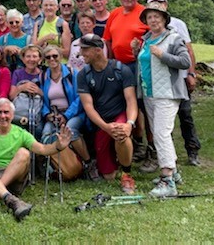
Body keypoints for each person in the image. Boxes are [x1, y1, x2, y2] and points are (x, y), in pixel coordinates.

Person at [0, 98, 73, 221]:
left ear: (12, 115)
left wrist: (58, 146)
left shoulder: (21, 133)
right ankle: (12, 201)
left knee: (24, 153)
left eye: (6, 112)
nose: (3, 116)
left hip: (14, 177)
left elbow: (43, 149)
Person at [134, 2, 191, 197]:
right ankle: (173, 173)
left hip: (167, 92)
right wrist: (137, 52)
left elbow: (185, 62)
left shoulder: (174, 38)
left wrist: (164, 55)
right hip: (150, 93)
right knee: (160, 133)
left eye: (157, 16)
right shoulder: (146, 40)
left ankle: (167, 180)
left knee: (161, 134)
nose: (153, 20)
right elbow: (145, 64)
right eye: (150, 17)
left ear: (165, 19)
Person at [76, 33, 138, 193]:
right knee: (109, 175)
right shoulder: (83, 74)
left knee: (121, 133)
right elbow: (88, 106)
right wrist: (105, 127)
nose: (81, 54)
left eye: (85, 50)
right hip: (100, 121)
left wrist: (129, 124)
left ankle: (127, 174)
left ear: (98, 50)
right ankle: (117, 158)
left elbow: (131, 100)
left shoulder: (121, 70)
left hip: (119, 114)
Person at [146, 0, 202, 167]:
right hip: (156, 86)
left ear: (166, 6)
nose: (156, 10)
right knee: (160, 126)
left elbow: (188, 52)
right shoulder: (148, 34)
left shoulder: (177, 26)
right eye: (152, 6)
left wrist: (191, 74)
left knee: (185, 115)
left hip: (178, 80)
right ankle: (166, 158)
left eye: (160, 4)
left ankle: (192, 150)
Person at [102, 0, 149, 161]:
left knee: (141, 105)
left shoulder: (143, 13)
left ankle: (146, 145)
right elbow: (108, 40)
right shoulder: (114, 13)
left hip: (137, 65)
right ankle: (131, 143)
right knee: (123, 104)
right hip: (118, 65)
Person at [40, 45, 94, 177]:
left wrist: (66, 115)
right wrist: (47, 114)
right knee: (46, 133)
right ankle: (54, 167)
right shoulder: (43, 77)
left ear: (61, 57)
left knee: (70, 130)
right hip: (54, 114)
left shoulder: (72, 73)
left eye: (55, 56)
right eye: (48, 57)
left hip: (74, 113)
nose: (52, 59)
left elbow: (79, 97)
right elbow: (42, 100)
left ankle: (88, 163)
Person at [9, 45, 44, 138]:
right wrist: (21, 88)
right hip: (19, 112)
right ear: (23, 59)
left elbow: (48, 96)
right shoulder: (17, 73)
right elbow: (11, 96)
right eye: (28, 56)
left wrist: (39, 91)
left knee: (38, 130)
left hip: (37, 113)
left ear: (40, 59)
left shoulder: (43, 74)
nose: (31, 59)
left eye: (34, 56)